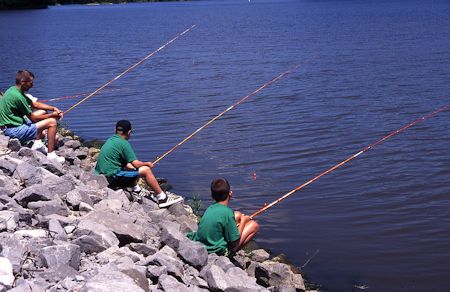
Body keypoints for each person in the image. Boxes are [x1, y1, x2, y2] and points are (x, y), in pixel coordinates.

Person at [95, 119, 183, 208]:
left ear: (116, 131)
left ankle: (136, 190)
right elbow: (136, 164)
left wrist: (135, 168)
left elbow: (128, 165)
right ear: (129, 132)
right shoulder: (124, 143)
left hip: (101, 177)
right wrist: (147, 164)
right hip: (112, 179)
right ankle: (162, 198)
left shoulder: (110, 140)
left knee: (131, 170)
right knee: (146, 170)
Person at [0, 70, 65, 163]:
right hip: (13, 131)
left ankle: (37, 143)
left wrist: (53, 108)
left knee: (43, 112)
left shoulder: (13, 90)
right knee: (52, 122)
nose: (32, 85)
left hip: (11, 126)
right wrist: (52, 115)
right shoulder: (18, 96)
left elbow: (34, 104)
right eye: (30, 83)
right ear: (23, 82)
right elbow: (33, 118)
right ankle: (51, 155)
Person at [188, 178, 260, 256]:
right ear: (230, 194)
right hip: (215, 251)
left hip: (202, 245)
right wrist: (243, 221)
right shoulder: (227, 212)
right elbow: (235, 240)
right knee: (254, 225)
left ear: (212, 196)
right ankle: (231, 253)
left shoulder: (210, 208)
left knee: (237, 215)